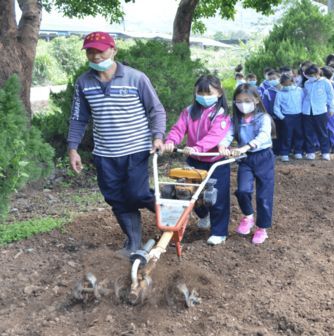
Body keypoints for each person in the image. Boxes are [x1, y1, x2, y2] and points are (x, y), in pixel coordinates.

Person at [67, 32, 166, 256]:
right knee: (115, 197)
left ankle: (172, 215)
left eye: (100, 50)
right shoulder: (84, 83)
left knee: (138, 194)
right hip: (105, 153)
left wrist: (158, 136)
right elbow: (78, 118)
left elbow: (156, 109)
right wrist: (73, 148)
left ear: (113, 50)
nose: (95, 56)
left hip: (136, 149)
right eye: (90, 51)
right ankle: (133, 243)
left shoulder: (136, 78)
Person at [162, 75, 232, 246]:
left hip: (215, 161)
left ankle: (219, 232)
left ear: (219, 93)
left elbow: (214, 137)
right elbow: (179, 129)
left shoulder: (221, 115)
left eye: (209, 93)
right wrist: (171, 141)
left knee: (217, 197)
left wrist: (197, 147)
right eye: (200, 92)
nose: (204, 96)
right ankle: (203, 215)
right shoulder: (189, 111)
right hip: (194, 161)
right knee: (189, 192)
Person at [219, 85, 275, 245]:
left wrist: (247, 146)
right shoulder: (234, 119)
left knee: (264, 196)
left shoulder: (263, 117)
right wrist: (222, 145)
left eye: (247, 101)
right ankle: (248, 216)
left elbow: (264, 135)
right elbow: (229, 134)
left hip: (263, 157)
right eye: (239, 101)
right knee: (242, 190)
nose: (243, 104)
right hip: (245, 159)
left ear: (256, 100)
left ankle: (262, 228)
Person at [301, 64, 334, 161]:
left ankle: (325, 152)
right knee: (308, 133)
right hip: (307, 111)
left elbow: (330, 96)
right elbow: (305, 96)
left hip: (320, 111)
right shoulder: (307, 83)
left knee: (322, 132)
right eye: (308, 76)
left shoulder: (326, 82)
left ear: (317, 73)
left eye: (312, 75)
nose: (310, 77)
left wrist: (331, 108)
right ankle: (310, 152)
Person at [273, 74, 304, 161]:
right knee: (287, 135)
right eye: (284, 84)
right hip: (287, 117)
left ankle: (298, 151)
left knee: (299, 134)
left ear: (292, 81)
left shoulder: (299, 90)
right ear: (282, 84)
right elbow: (276, 107)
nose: (287, 86)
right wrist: (282, 117)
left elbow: (303, 100)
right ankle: (285, 153)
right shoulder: (280, 94)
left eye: (288, 83)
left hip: (299, 115)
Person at [260, 70, 282, 155]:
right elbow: (265, 105)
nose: (272, 80)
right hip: (273, 116)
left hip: (286, 115)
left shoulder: (285, 89)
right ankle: (276, 151)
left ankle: (285, 150)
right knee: (275, 134)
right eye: (270, 79)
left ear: (279, 78)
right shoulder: (268, 91)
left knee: (286, 133)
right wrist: (268, 116)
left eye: (274, 78)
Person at [321, 66, 334, 153]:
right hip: (320, 109)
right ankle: (323, 145)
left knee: (332, 127)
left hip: (330, 110)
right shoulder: (318, 84)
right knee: (322, 127)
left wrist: (331, 107)